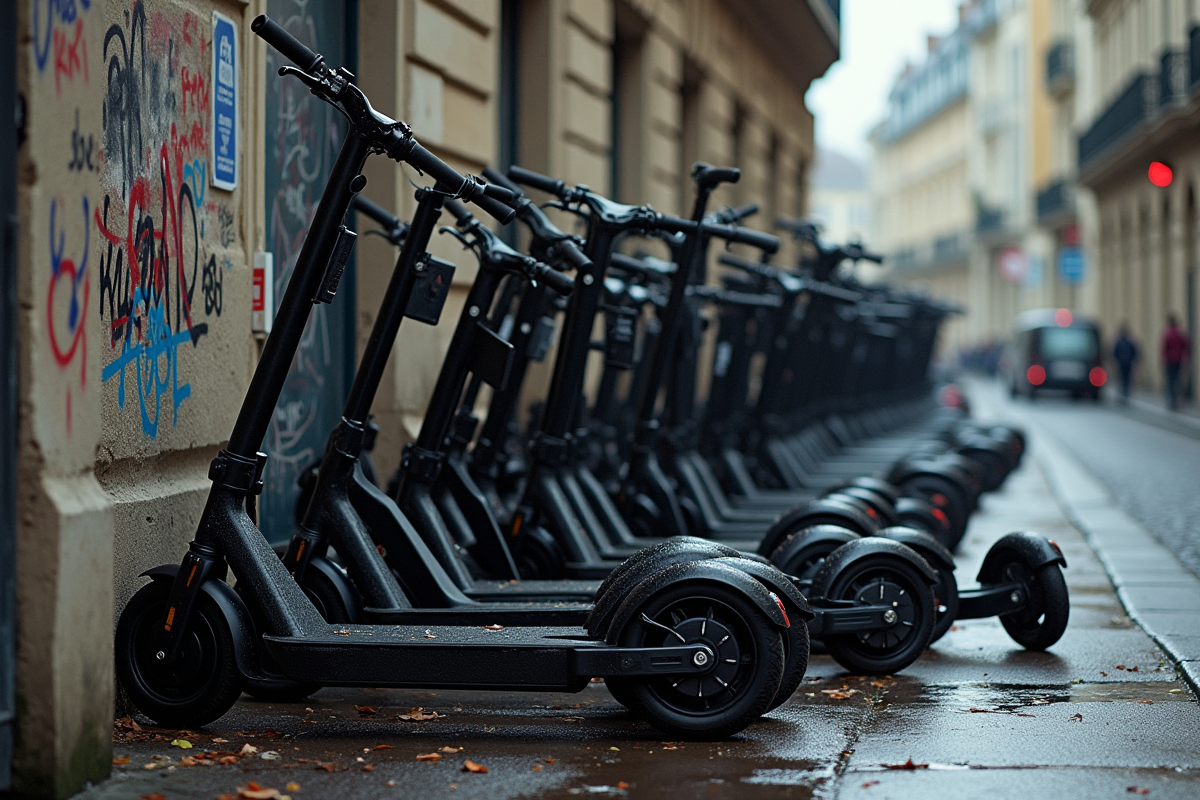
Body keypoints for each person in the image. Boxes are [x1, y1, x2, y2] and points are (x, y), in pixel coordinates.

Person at [1161, 314, 1191, 410]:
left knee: (1170, 381)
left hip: (1170, 361)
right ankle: (1177, 400)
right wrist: (1186, 357)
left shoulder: (1168, 334)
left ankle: (1172, 400)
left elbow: (1164, 348)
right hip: (1178, 360)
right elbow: (1187, 346)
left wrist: (1163, 360)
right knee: (1177, 380)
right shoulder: (1180, 333)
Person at [1112, 323, 1138, 403]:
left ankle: (1122, 394)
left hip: (1121, 363)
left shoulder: (1119, 342)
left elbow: (1114, 353)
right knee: (1127, 379)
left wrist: (1115, 360)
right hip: (1128, 363)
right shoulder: (1129, 342)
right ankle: (1125, 394)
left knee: (1122, 379)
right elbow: (1135, 352)